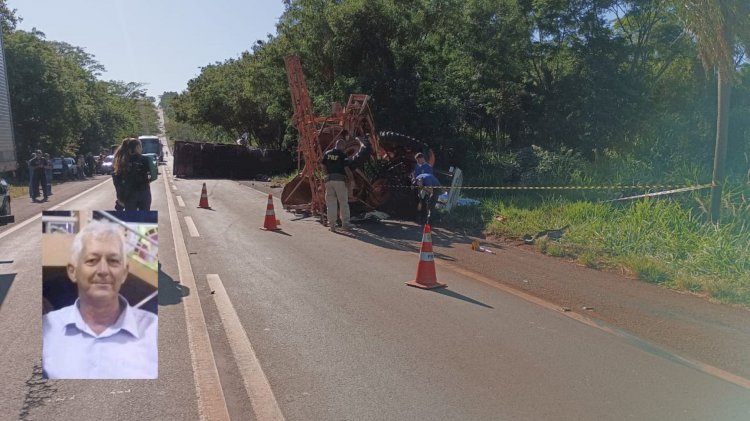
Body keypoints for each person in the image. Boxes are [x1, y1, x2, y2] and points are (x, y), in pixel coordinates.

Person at [42, 220, 158, 379]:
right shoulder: (47, 330)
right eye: (92, 260)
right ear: (72, 271)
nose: (103, 270)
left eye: (113, 261)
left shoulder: (155, 331)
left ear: (124, 273)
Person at [320, 131, 366, 232]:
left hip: (329, 181)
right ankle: (345, 224)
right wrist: (352, 180)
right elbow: (347, 169)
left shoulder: (327, 154)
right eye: (344, 147)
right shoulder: (342, 155)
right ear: (341, 146)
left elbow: (323, 165)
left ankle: (332, 225)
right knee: (343, 203)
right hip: (340, 181)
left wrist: (326, 175)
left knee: (331, 203)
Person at [113, 138, 153, 211]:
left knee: (131, 218)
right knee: (145, 218)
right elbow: (153, 175)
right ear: (137, 147)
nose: (142, 149)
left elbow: (116, 180)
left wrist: (120, 196)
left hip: (129, 195)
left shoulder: (121, 160)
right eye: (141, 146)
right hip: (144, 192)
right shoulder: (145, 159)